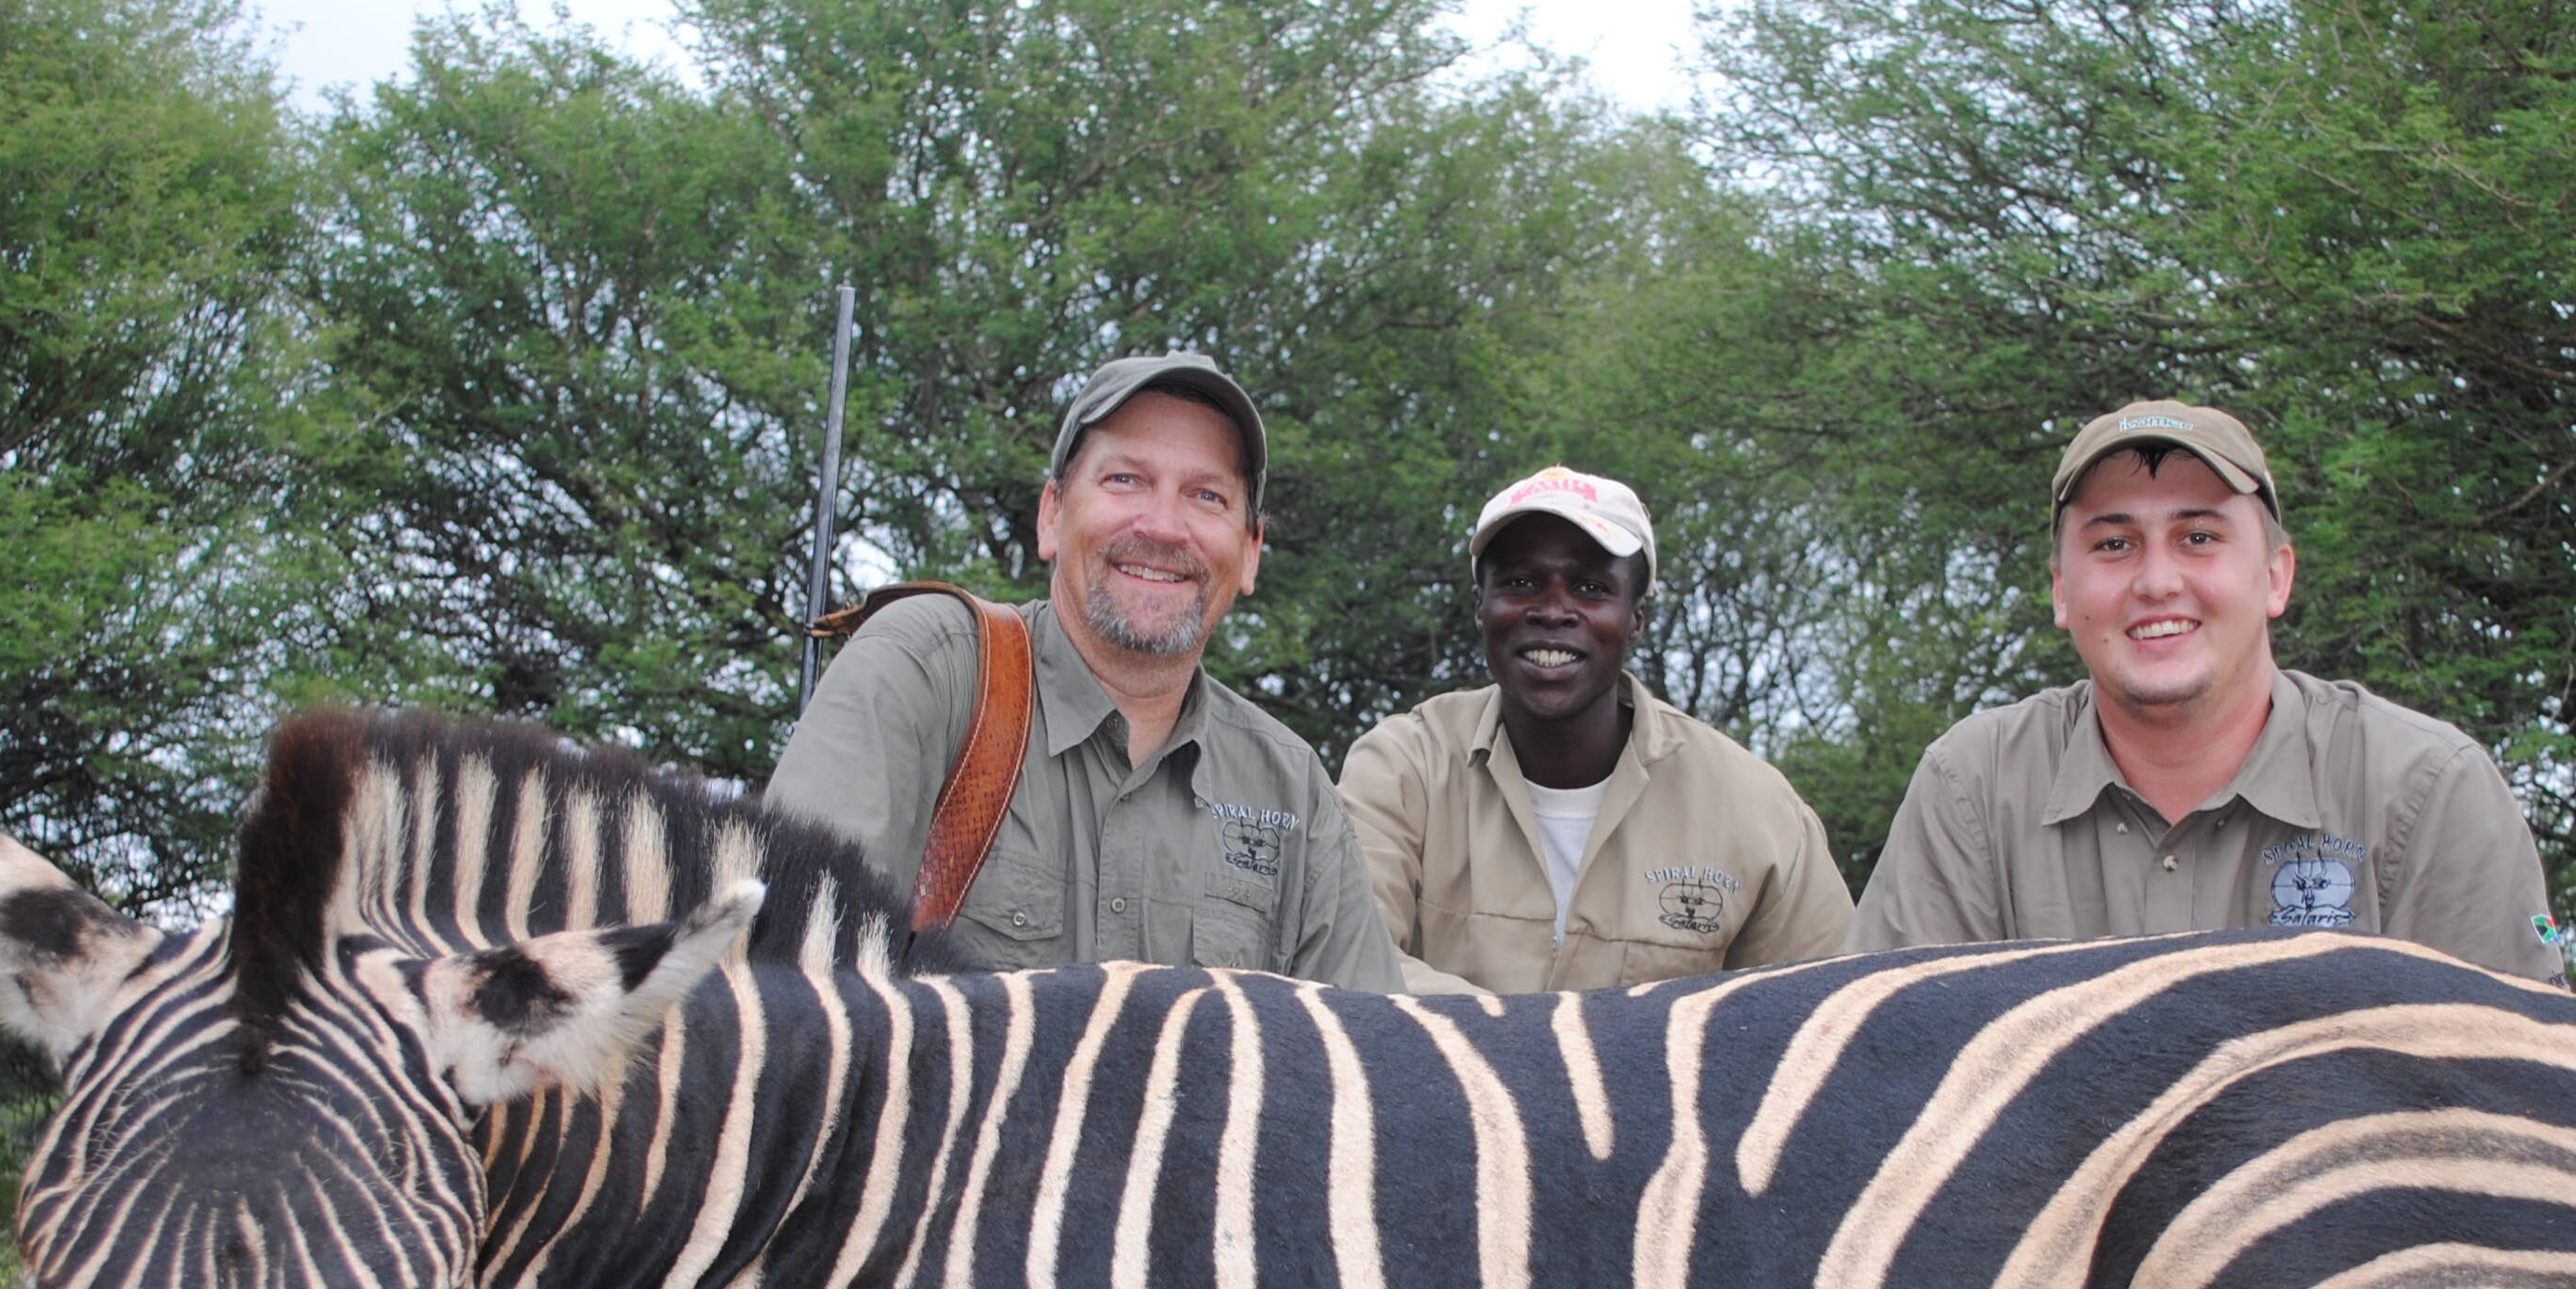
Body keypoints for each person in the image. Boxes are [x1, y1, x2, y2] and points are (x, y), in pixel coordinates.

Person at [1847, 400, 2565, 982]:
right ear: (2062, 593)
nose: (2157, 581)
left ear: (2277, 576)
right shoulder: (1971, 787)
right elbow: (1892, 1079)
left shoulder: (2428, 787)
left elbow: (2520, 1098)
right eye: (2113, 544)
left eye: (2198, 537)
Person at [768, 353, 1403, 989]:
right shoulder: (924, 673)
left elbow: (1372, 1059)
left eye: (1207, 496)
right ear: (1052, 513)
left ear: (1249, 552)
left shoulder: (1292, 789)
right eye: (1125, 480)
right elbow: (782, 1004)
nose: (1161, 526)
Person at [1338, 465, 1852, 994]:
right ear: (1480, 608)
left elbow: (1829, 1008)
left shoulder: (1754, 807)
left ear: (1635, 618)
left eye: (1590, 587)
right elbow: (1348, 960)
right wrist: (1535, 1052)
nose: (1553, 611)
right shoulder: (1402, 767)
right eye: (1520, 583)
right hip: (1437, 1080)